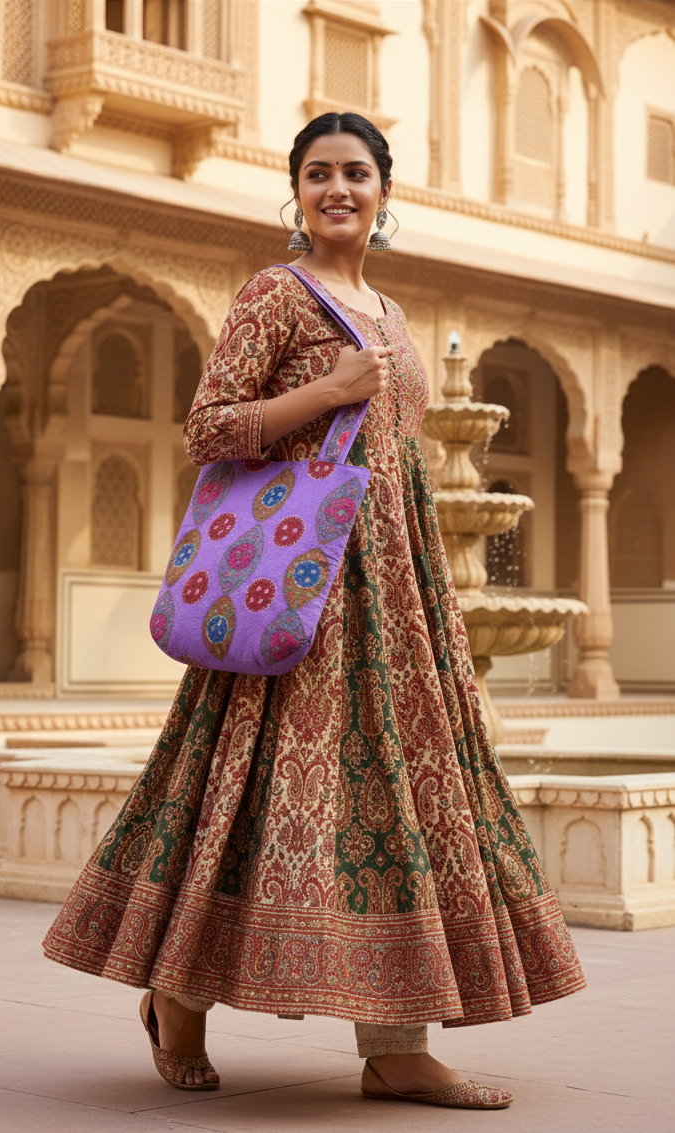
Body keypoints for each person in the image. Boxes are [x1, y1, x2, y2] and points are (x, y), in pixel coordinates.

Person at [44, 112, 585, 1110]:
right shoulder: (274, 294)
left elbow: (399, 461)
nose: (338, 188)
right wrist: (326, 389)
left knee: (398, 808)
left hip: (399, 602)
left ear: (385, 191)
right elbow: (208, 429)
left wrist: (430, 603)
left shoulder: (392, 313)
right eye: (318, 173)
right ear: (295, 191)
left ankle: (396, 1047)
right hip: (298, 594)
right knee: (248, 793)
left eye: (357, 172)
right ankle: (178, 1000)